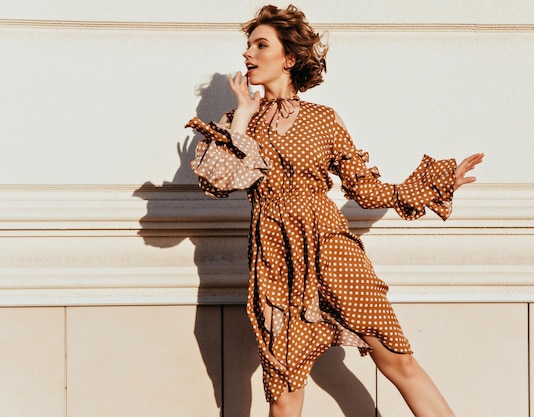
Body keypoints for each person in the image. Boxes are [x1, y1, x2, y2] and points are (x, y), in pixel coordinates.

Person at [186, 4, 484, 417]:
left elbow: (364, 188)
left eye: (260, 45)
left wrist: (432, 186)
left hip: (332, 250)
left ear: (288, 58)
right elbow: (219, 181)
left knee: (396, 359)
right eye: (248, 45)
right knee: (284, 394)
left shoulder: (323, 120)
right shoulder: (240, 122)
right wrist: (241, 119)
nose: (248, 54)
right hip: (276, 263)